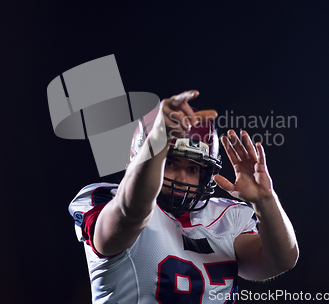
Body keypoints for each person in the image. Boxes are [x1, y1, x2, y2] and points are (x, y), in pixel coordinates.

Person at [69, 90, 299, 303]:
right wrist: (158, 140)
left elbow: (281, 260)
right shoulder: (108, 200)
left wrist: (266, 201)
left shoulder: (227, 217)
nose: (181, 177)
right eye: (170, 163)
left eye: (192, 169)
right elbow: (131, 211)